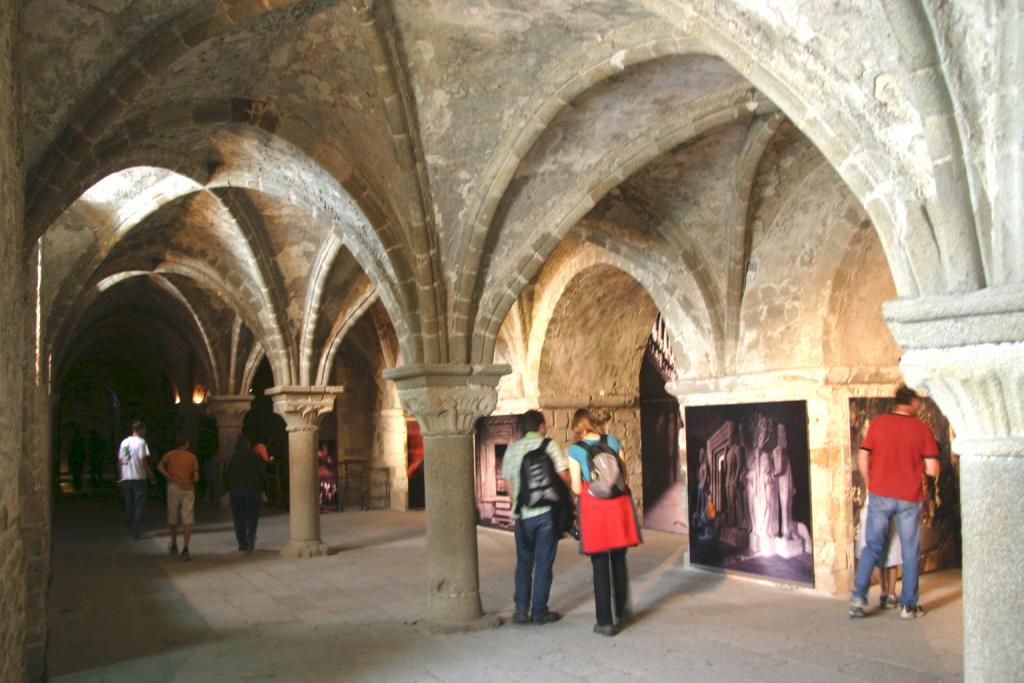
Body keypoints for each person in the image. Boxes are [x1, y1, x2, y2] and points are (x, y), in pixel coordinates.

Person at [849, 385, 940, 619]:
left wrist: (870, 481)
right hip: (909, 497)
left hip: (881, 494)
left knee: (873, 546)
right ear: (912, 402)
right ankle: (908, 605)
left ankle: (859, 598)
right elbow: (932, 468)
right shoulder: (922, 429)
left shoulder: (879, 424)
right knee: (910, 551)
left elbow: (863, 454)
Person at [568, 409, 641, 636]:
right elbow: (624, 473)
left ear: (577, 427)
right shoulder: (612, 440)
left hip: (595, 507)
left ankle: (605, 621)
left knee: (600, 564)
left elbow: (577, 488)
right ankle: (622, 610)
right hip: (618, 505)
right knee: (619, 559)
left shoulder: (575, 450)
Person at [499, 409, 569, 625]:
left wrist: (519, 504)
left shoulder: (512, 450)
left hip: (522, 515)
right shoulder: (549, 446)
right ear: (541, 426)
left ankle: (521, 611)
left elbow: (509, 484)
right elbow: (563, 476)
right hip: (546, 513)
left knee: (524, 562)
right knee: (544, 562)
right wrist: (566, 498)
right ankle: (540, 612)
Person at [157, 433, 199, 561]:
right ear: (186, 444)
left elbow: (159, 466)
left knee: (173, 516)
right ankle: (185, 548)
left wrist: (168, 476)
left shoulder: (170, 455)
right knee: (187, 519)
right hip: (188, 489)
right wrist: (194, 479)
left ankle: (174, 544)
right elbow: (196, 476)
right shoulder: (192, 457)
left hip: (173, 487)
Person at [856, 499, 902, 609]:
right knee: (892, 555)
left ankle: (884, 592)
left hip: (873, 509)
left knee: (879, 555)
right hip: (887, 510)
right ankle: (890, 595)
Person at [224, 434, 265, 553]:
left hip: (236, 491)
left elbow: (226, 474)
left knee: (239, 518)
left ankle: (242, 543)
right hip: (252, 491)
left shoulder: (232, 457)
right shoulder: (254, 456)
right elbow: (261, 473)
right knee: (252, 517)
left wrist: (226, 489)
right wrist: (262, 489)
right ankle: (251, 538)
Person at [118, 421, 156, 540]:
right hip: (138, 477)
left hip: (126, 477)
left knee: (129, 504)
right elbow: (142, 461)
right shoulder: (141, 442)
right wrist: (151, 475)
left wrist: (120, 476)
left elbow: (120, 460)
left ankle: (131, 527)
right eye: (144, 430)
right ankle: (136, 530)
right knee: (139, 504)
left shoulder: (124, 442)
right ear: (140, 429)